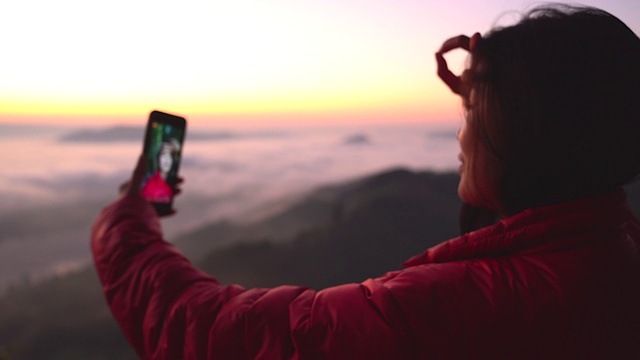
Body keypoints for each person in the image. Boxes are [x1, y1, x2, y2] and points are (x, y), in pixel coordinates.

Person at [92, 4, 640, 359]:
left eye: (472, 115)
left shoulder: (437, 316)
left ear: (526, 132)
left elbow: (208, 333)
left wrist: (129, 215)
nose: (458, 135)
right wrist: (500, 117)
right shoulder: (616, 252)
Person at [140, 139, 179, 204]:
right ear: (158, 158)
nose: (167, 159)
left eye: (170, 155)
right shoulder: (149, 184)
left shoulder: (171, 185)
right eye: (163, 155)